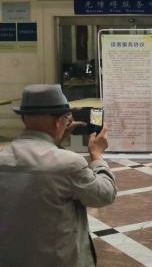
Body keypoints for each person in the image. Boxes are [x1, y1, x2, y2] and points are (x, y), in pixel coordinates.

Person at [0, 84, 116, 266]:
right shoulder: (69, 164)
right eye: (67, 117)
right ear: (59, 121)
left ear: (23, 119)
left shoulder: (3, 158)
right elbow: (105, 194)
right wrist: (97, 155)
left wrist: (55, 140)